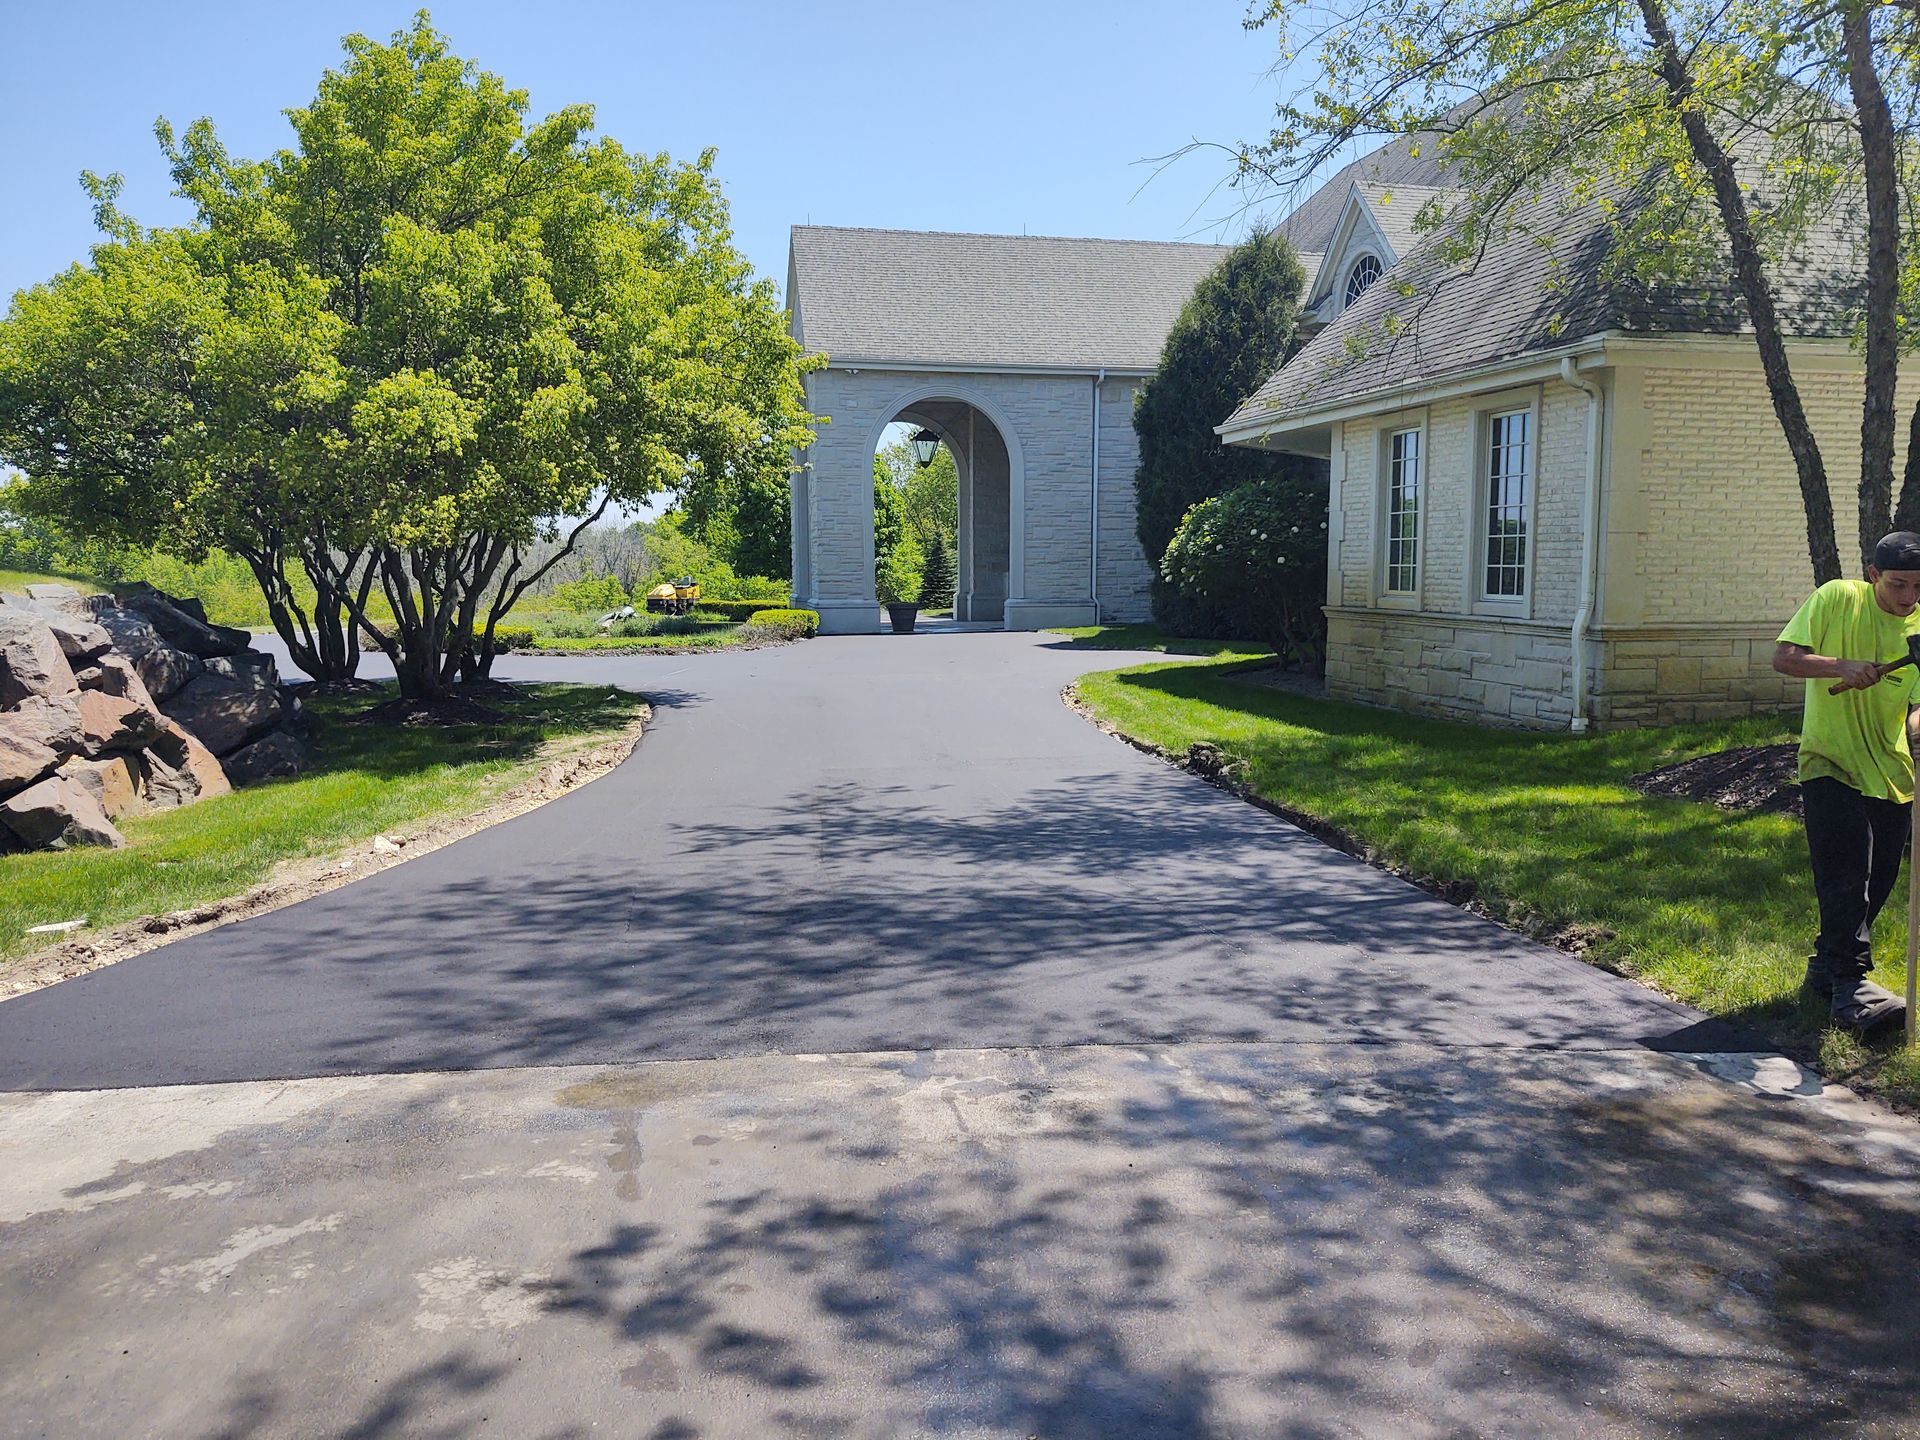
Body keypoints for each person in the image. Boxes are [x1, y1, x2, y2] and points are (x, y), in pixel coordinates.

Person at [1773, 531, 1920, 1030]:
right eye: (1898, 584)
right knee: (1846, 875)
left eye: (1918, 586)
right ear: (1874, 575)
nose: (1908, 597)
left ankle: (1825, 970)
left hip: (1891, 771)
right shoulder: (1838, 598)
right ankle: (1852, 988)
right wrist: (1840, 665)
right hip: (1829, 761)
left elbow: (1915, 706)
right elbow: (1785, 657)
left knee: (1879, 884)